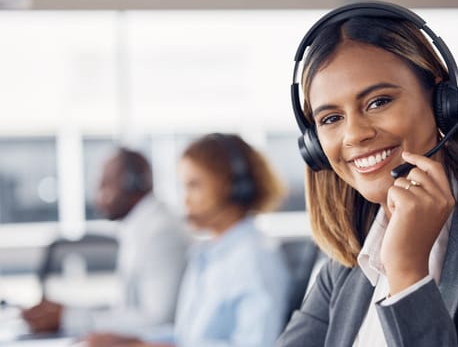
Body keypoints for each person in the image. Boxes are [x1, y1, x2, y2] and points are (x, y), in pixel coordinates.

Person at [277, 0, 458, 347]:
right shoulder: (349, 262)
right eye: (331, 119)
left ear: (442, 102)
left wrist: (407, 270)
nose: (354, 135)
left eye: (378, 102)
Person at [84, 133, 292, 347]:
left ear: (234, 185)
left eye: (194, 185)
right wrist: (135, 342)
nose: (185, 199)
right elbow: (188, 339)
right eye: (183, 186)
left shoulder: (255, 258)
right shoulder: (207, 255)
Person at [21, 147, 192, 337]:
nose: (98, 195)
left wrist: (70, 319)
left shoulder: (161, 233)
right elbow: (128, 308)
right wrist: (67, 312)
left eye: (106, 184)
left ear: (132, 184)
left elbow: (158, 320)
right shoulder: (138, 227)